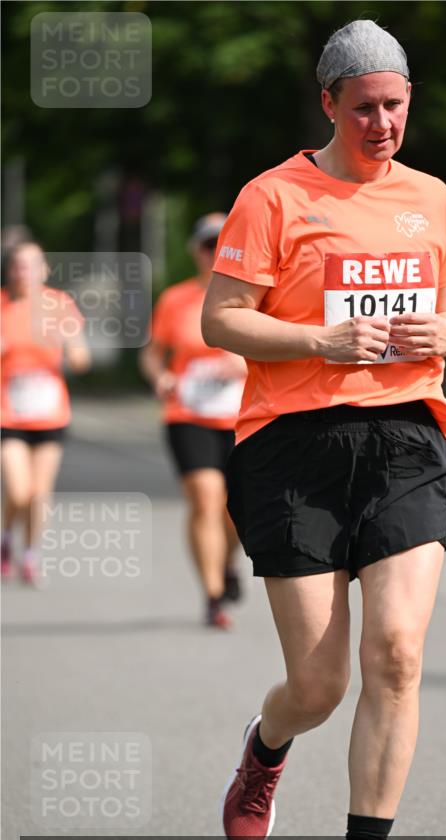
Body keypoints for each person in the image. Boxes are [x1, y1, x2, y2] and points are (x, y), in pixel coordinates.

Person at [202, 20, 446, 840]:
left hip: (403, 439)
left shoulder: (431, 200)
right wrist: (318, 338)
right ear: (329, 104)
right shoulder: (273, 197)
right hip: (292, 447)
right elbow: (223, 320)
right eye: (364, 107)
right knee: (317, 685)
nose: (382, 123)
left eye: (395, 105)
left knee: (395, 654)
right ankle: (267, 745)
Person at [141, 215, 247, 629]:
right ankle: (212, 595)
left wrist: (242, 361)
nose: (214, 252)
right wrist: (160, 375)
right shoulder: (176, 299)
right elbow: (152, 353)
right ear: (196, 252)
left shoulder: (254, 296)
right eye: (207, 246)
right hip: (188, 413)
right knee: (205, 498)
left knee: (238, 512)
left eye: (222, 245)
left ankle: (226, 563)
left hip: (243, 415)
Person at [1, 242, 91, 584]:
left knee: (39, 492)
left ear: (44, 270)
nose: (23, 272)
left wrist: (66, 344)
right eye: (17, 266)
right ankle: (6, 535)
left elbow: (82, 360)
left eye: (31, 266)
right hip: (8, 414)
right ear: (10, 271)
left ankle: (30, 554)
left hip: (50, 414)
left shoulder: (60, 305)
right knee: (19, 489)